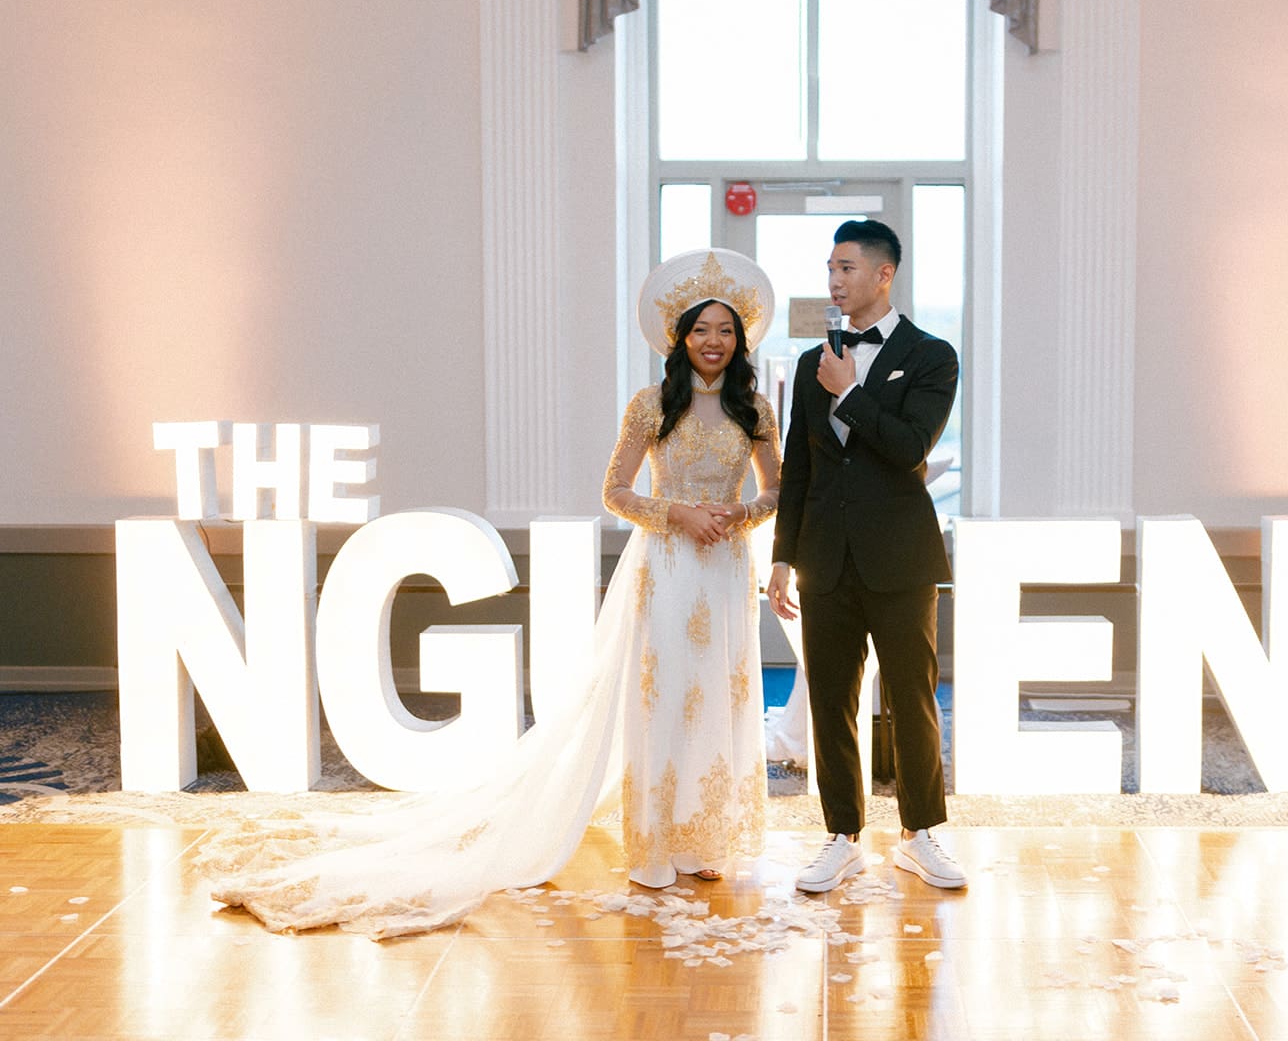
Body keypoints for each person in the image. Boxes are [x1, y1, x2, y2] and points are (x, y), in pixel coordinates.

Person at [200, 248, 780, 935]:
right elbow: (615, 492)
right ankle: (656, 843)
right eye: (701, 329)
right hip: (667, 568)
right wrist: (678, 513)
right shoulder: (651, 405)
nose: (713, 341)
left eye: (725, 330)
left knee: (716, 694)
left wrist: (740, 513)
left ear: (740, 339)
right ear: (678, 338)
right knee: (661, 698)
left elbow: (777, 489)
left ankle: (704, 840)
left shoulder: (755, 408)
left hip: (724, 568)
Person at [767, 219, 967, 894]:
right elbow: (799, 467)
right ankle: (842, 836)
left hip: (901, 558)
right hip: (825, 557)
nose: (834, 280)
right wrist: (783, 557)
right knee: (830, 701)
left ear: (884, 274)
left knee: (912, 698)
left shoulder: (933, 355)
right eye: (829, 268)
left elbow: (910, 447)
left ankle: (919, 834)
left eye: (846, 268)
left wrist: (850, 393)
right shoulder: (812, 362)